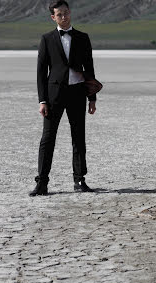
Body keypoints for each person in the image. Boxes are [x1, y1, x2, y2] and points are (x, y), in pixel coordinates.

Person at [30, 0, 97, 196]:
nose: (64, 17)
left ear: (71, 13)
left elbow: (90, 69)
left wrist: (92, 98)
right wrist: (42, 100)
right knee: (47, 139)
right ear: (53, 17)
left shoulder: (83, 38)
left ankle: (79, 180)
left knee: (78, 138)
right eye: (60, 14)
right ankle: (42, 183)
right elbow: (41, 73)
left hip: (77, 94)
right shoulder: (47, 39)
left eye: (66, 13)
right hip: (54, 97)